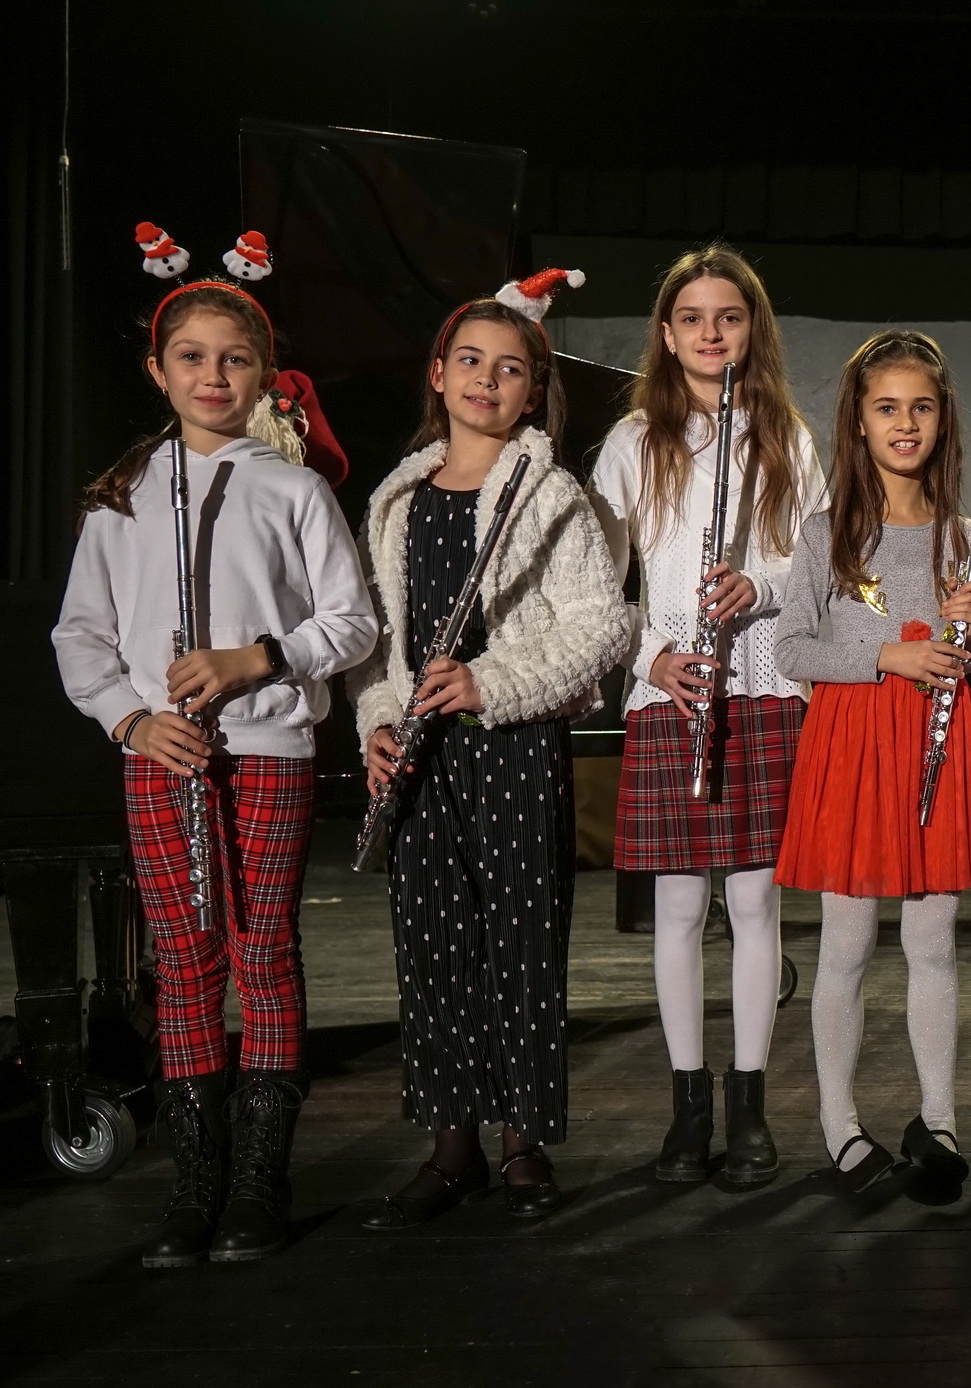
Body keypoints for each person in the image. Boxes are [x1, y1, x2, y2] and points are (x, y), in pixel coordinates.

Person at [53, 230, 376, 1266]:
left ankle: (258, 1182)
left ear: (266, 375)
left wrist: (256, 658)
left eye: (235, 359)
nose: (213, 375)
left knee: (263, 952)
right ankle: (194, 1183)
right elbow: (81, 635)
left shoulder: (294, 490)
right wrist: (130, 717)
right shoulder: (123, 496)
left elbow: (353, 624)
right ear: (158, 371)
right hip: (161, 755)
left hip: (267, 748)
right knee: (185, 960)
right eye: (191, 357)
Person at [350, 270, 632, 1228]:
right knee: (432, 944)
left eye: (509, 368)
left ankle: (523, 1141)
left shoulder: (550, 495)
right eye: (469, 360)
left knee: (521, 941)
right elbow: (379, 645)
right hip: (423, 754)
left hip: (511, 745)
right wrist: (378, 721)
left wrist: (492, 683)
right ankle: (451, 1146)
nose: (486, 379)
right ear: (438, 373)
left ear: (534, 389)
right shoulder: (396, 500)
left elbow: (602, 625)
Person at [592, 245, 824, 1188]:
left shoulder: (786, 438)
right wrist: (651, 658)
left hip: (760, 682)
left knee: (756, 899)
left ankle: (749, 1103)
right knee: (681, 904)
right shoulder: (631, 442)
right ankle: (687, 1106)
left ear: (752, 329)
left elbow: (817, 570)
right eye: (692, 317)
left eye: (729, 316)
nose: (710, 332)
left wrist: (757, 587)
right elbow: (599, 586)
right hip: (673, 687)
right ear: (667, 332)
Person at [774, 330, 971, 1193]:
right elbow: (792, 648)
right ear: (858, 422)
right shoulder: (827, 532)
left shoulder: (963, 535)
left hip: (937, 741)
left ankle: (938, 1119)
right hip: (855, 743)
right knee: (849, 941)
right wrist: (885, 656)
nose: (906, 423)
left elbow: (970, 659)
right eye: (887, 407)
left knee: (933, 940)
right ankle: (840, 1124)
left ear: (943, 420)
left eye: (922, 407)